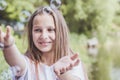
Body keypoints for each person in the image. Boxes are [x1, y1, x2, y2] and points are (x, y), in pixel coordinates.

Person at [0, 6, 88, 80]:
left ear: (60, 33)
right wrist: (8, 45)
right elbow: (14, 60)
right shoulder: (27, 65)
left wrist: (63, 73)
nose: (44, 36)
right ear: (31, 34)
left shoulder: (71, 64)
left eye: (50, 30)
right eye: (38, 30)